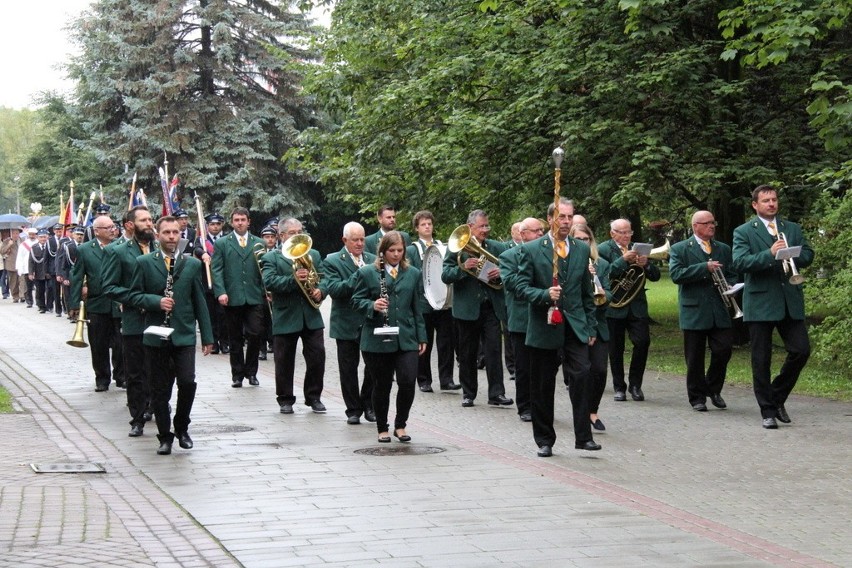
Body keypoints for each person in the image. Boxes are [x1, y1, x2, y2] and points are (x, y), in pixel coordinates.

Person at [515, 199, 600, 457]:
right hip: (545, 325)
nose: (566, 222)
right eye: (561, 217)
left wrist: (591, 327)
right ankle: (544, 439)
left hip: (575, 325)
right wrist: (543, 294)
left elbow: (587, 293)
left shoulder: (580, 249)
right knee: (542, 384)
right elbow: (519, 287)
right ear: (550, 218)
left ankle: (583, 436)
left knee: (584, 374)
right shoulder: (531, 249)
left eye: (569, 217)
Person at [128, 216, 213, 455]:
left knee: (187, 382)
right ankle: (165, 436)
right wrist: (156, 302)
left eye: (175, 232)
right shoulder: (144, 262)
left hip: (184, 334)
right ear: (158, 235)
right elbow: (133, 295)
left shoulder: (192, 264)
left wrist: (207, 337)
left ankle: (182, 427)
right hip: (156, 335)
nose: (172, 237)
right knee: (159, 389)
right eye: (166, 232)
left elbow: (200, 302)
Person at [733, 185, 814, 429]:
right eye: (766, 200)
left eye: (774, 200)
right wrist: (769, 254)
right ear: (755, 205)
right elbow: (739, 262)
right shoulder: (743, 231)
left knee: (801, 350)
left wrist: (793, 253)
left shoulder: (792, 228)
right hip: (760, 302)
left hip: (789, 300)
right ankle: (767, 411)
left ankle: (776, 396)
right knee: (761, 359)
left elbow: (809, 254)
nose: (771, 204)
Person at [351, 231, 427, 443]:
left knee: (407, 380)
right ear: (382, 252)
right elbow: (356, 301)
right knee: (382, 384)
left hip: (406, 337)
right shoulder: (367, 272)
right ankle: (382, 427)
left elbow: (417, 307)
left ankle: (400, 425)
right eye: (391, 251)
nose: (396, 255)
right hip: (377, 338)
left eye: (400, 251)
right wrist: (372, 305)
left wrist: (422, 337)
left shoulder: (412, 273)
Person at [442, 209, 512, 408]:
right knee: (467, 353)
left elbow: (508, 269)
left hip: (490, 306)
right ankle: (468, 393)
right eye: (482, 226)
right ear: (470, 227)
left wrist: (501, 273)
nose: (485, 230)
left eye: (487, 226)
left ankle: (496, 393)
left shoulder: (496, 247)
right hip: (467, 309)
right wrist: (463, 268)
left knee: (493, 350)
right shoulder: (457, 249)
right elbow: (445, 275)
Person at [669, 211, 737, 412]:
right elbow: (676, 274)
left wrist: (731, 286)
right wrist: (703, 268)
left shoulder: (723, 249)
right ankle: (697, 397)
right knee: (694, 356)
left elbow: (732, 272)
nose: (712, 226)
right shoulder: (680, 249)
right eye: (707, 223)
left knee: (724, 350)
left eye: (713, 222)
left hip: (720, 308)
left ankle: (713, 388)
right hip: (694, 310)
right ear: (695, 226)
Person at [261, 218, 328, 414]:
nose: (297, 235)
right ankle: (285, 399)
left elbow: (324, 277)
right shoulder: (271, 257)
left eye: (300, 231)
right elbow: (270, 282)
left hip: (311, 315)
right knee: (284, 360)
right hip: (286, 315)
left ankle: (314, 397)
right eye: (292, 232)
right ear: (281, 235)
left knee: (317, 357)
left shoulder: (313, 254)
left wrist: (321, 291)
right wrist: (293, 279)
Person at [103, 206, 157, 437]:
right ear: (131, 225)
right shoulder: (119, 252)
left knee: (159, 370)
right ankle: (136, 418)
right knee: (135, 373)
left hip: (161, 319)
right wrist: (136, 299)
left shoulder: (162, 248)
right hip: (135, 320)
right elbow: (109, 287)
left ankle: (156, 405)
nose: (149, 224)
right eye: (143, 220)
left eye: (151, 219)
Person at [598, 218, 661, 402]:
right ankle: (619, 387)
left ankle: (636, 385)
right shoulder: (603, 249)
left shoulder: (639, 248)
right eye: (622, 232)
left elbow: (656, 276)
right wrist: (622, 261)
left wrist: (646, 264)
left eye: (629, 232)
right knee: (615, 348)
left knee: (642, 342)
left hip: (636, 306)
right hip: (615, 306)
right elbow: (604, 275)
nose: (627, 236)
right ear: (612, 233)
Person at [323, 222, 377, 424]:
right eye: (355, 240)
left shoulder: (372, 259)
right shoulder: (332, 260)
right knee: (348, 369)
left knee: (373, 367)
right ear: (345, 240)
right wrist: (361, 275)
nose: (360, 243)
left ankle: (369, 404)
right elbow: (335, 290)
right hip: (345, 323)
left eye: (362, 239)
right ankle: (353, 410)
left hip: (369, 322)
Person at [211, 207, 266, 387]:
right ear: (232, 222)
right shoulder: (223, 243)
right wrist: (221, 291)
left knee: (255, 333)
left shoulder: (259, 243)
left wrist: (266, 290)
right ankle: (237, 374)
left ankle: (252, 372)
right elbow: (216, 269)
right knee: (234, 337)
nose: (240, 223)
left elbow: (264, 269)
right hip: (232, 297)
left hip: (254, 296)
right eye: (236, 220)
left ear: (248, 221)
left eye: (243, 219)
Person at [406, 210, 460, 393]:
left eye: (429, 223)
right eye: (423, 224)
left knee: (446, 343)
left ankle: (447, 379)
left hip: (444, 301)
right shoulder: (413, 249)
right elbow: (411, 274)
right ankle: (423, 380)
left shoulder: (441, 246)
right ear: (416, 228)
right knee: (424, 341)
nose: (427, 226)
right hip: (423, 302)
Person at [69, 216, 123, 392]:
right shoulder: (85, 250)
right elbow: (77, 276)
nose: (112, 230)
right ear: (96, 231)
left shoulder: (120, 247)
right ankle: (102, 377)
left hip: (118, 302)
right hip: (97, 303)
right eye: (107, 228)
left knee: (121, 342)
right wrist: (74, 303)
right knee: (98, 343)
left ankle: (121, 376)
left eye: (113, 227)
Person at [500, 217, 545, 422]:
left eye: (542, 230)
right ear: (523, 233)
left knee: (545, 366)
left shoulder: (547, 252)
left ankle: (542, 404)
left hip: (544, 316)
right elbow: (510, 283)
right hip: (520, 319)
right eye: (536, 231)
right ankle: (525, 406)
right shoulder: (508, 256)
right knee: (524, 367)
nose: (540, 234)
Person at [195, 212, 229, 354]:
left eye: (217, 224)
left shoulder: (227, 239)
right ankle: (213, 343)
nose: (215, 227)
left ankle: (225, 343)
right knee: (211, 315)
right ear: (207, 226)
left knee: (224, 315)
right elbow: (196, 249)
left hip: (223, 282)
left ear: (222, 225)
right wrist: (203, 253)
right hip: (207, 283)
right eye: (212, 224)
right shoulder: (202, 239)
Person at [258, 225, 278, 361]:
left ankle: (275, 346)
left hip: (275, 293)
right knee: (260, 323)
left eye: (272, 237)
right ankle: (262, 350)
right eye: (266, 237)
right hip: (261, 293)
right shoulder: (259, 253)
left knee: (274, 322)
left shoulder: (281, 252)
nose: (269, 240)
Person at [29, 229, 51, 313]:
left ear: (47, 237)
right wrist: (31, 273)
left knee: (50, 288)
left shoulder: (50, 246)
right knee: (39, 290)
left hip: (48, 272)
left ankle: (49, 305)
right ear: (38, 238)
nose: (43, 239)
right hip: (38, 272)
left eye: (44, 237)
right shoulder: (34, 248)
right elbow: (31, 261)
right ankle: (41, 306)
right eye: (41, 237)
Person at [17, 228, 38, 307]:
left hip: (37, 268)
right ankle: (29, 301)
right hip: (26, 268)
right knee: (28, 287)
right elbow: (20, 257)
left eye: (33, 234)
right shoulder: (23, 244)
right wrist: (20, 268)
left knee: (38, 287)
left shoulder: (39, 242)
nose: (32, 236)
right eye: (30, 234)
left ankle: (39, 301)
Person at [1, 228, 21, 302]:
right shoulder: (7, 241)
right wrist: (9, 245)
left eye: (17, 233)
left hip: (21, 264)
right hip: (11, 264)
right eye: (14, 233)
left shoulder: (22, 240)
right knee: (13, 282)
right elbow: (2, 251)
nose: (15, 235)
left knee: (22, 281)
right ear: (11, 234)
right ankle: (15, 296)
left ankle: (22, 296)